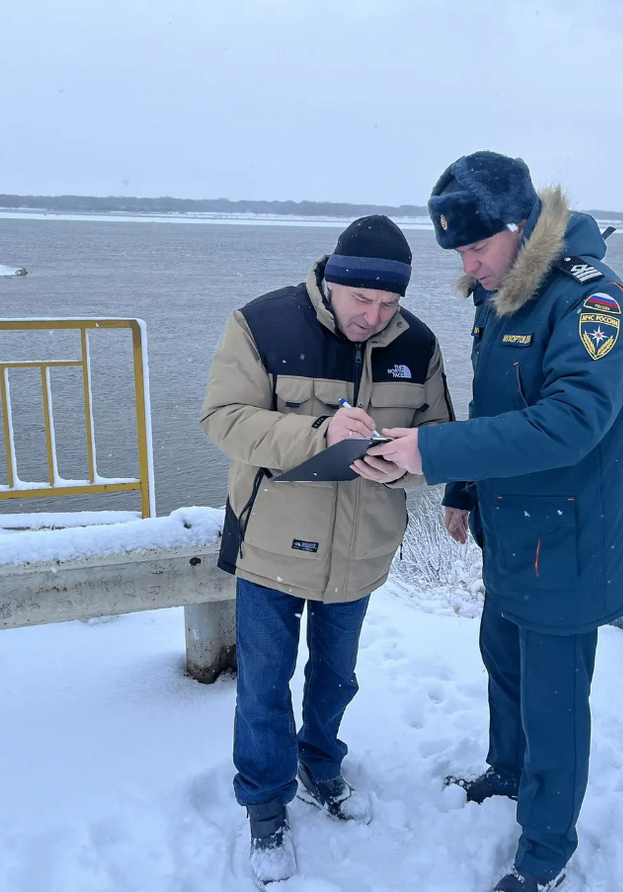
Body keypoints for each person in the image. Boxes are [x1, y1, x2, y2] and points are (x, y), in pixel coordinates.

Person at [371, 151, 623, 892]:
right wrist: (462, 487)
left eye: (478, 247)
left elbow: (570, 422)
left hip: (569, 541)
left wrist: (429, 450)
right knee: (506, 663)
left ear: (521, 228)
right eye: (458, 250)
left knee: (556, 703)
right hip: (512, 534)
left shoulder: (591, 303)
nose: (469, 264)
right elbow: (498, 408)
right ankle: (510, 769)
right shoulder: (499, 299)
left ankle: (545, 851)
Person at [200, 214, 454, 887]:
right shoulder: (262, 325)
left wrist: (404, 465)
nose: (373, 317)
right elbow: (222, 419)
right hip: (270, 546)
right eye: (361, 300)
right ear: (331, 281)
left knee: (336, 677)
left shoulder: (419, 345)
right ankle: (264, 804)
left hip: (360, 551)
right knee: (263, 685)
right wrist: (319, 433)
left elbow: (440, 441)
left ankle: (320, 762)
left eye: (388, 304)